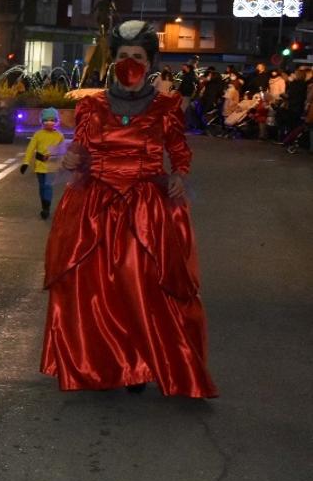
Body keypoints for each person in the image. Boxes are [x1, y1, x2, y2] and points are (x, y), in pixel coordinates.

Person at [43, 21, 217, 398]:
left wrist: (179, 175)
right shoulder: (91, 105)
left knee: (138, 287)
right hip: (95, 207)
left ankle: (138, 363)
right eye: (123, 56)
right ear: (114, 61)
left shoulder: (166, 107)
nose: (130, 62)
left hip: (145, 209)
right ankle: (99, 361)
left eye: (137, 56)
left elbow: (179, 152)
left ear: (149, 61)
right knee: (94, 290)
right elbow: (82, 148)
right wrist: (72, 158)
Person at [21, 108, 65, 220]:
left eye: (52, 120)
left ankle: (46, 208)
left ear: (56, 121)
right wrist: (26, 162)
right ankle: (44, 205)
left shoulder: (59, 136)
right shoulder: (38, 135)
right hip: (40, 166)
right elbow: (31, 148)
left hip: (52, 167)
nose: (49, 122)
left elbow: (62, 151)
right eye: (46, 120)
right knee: (42, 187)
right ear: (42, 121)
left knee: (48, 186)